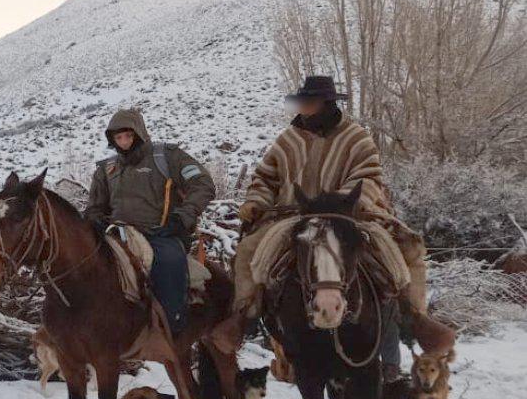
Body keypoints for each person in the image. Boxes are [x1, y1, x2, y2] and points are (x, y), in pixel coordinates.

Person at [231, 75, 454, 367]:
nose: (304, 107)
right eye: (302, 102)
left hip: (347, 213)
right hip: (293, 215)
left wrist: (341, 202)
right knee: (248, 248)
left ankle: (413, 315)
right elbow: (265, 178)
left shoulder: (355, 137)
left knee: (406, 247)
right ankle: (245, 316)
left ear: (326, 103)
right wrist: (256, 202)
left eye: (309, 102)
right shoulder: (287, 140)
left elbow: (369, 176)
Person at [83, 108, 216, 334]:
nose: (124, 142)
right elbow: (95, 205)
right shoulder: (106, 169)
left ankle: (173, 328)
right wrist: (95, 219)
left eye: (128, 135)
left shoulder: (166, 156)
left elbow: (203, 183)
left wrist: (183, 216)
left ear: (139, 133)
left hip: (160, 233)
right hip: (117, 234)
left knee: (170, 262)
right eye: (118, 137)